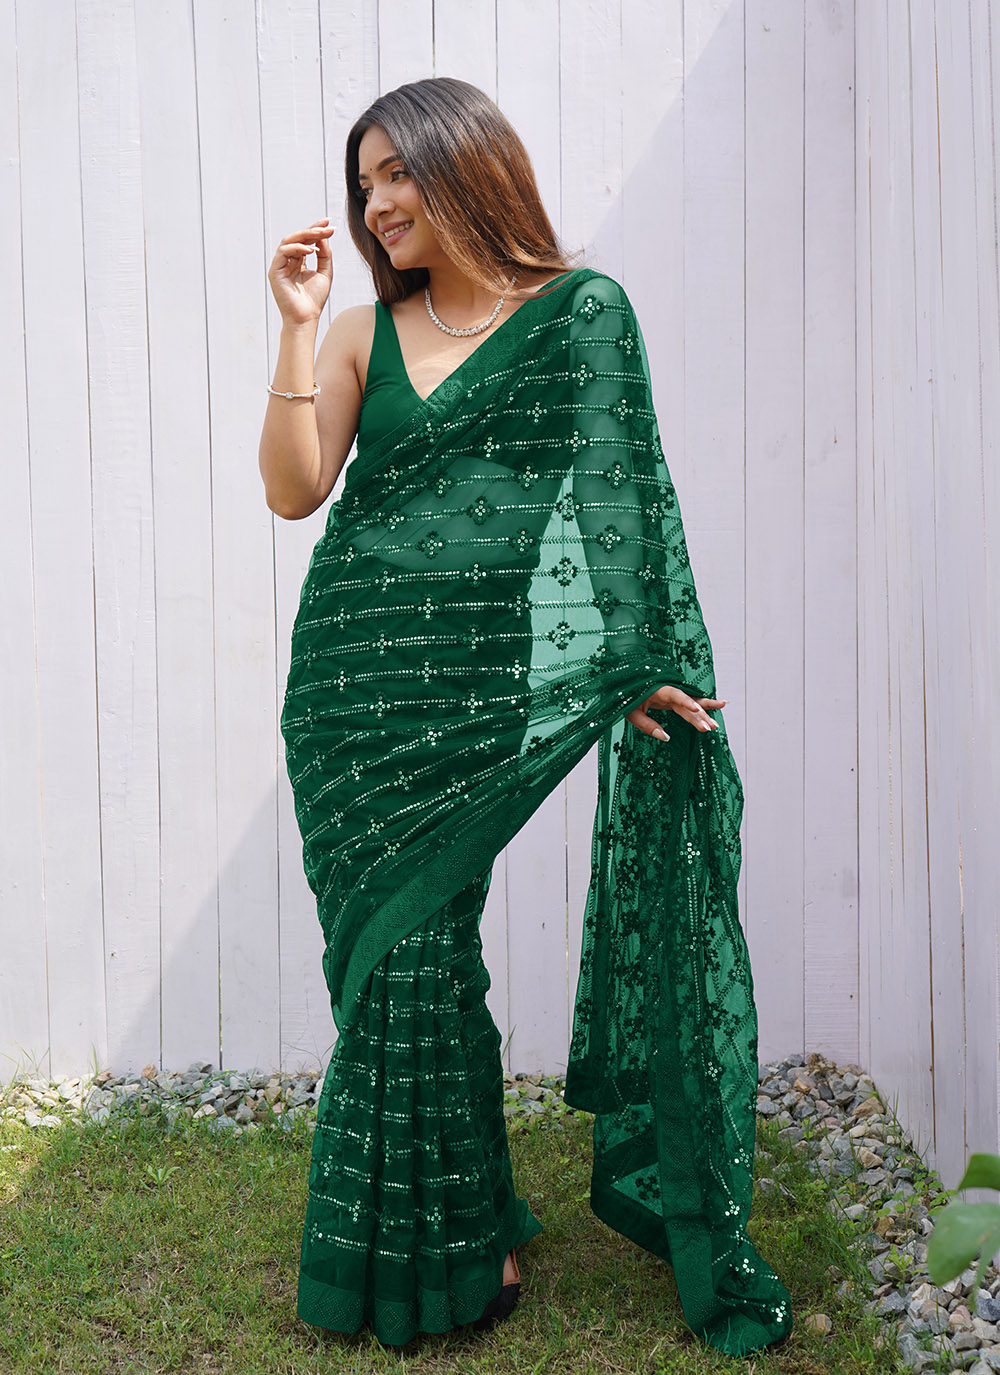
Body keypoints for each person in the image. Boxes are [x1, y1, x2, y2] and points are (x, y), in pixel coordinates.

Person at [259, 76, 792, 1355]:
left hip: (473, 693)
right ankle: (465, 1228)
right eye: (365, 182)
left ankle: (448, 1238)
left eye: (398, 172)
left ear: (467, 164)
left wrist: (638, 664)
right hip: (347, 691)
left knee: (426, 949)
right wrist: (295, 326)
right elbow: (293, 490)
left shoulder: (577, 313)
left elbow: (618, 503)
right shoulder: (362, 332)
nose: (377, 205)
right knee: (401, 958)